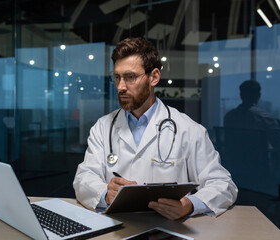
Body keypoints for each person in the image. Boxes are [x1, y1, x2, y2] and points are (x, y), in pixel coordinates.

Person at [73, 37, 238, 219]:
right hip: (115, 228)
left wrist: (190, 205)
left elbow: (223, 184)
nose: (120, 87)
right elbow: (83, 178)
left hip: (168, 229)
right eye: (117, 77)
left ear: (154, 77)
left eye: (130, 77)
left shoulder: (189, 129)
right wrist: (105, 193)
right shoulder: (103, 128)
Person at [224, 80, 280, 149]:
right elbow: (278, 145)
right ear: (258, 96)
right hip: (259, 159)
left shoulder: (229, 117)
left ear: (241, 95)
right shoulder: (266, 118)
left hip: (233, 159)